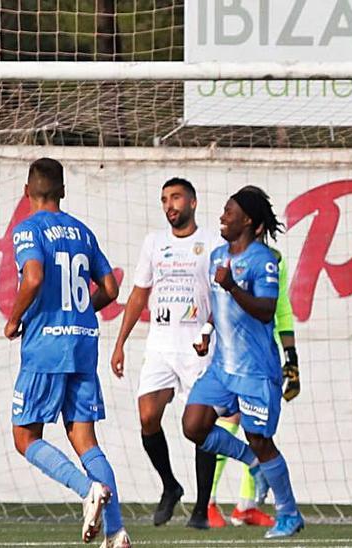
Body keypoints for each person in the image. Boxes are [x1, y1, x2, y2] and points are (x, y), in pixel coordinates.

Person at [6, 158, 129, 547]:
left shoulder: (28, 229)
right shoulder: (83, 232)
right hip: (83, 343)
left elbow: (35, 275)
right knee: (85, 438)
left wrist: (14, 318)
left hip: (46, 346)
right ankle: (117, 531)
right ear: (62, 191)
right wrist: (81, 312)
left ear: (27, 192)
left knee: (25, 437)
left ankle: (87, 489)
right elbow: (110, 288)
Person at [181, 186, 305, 539]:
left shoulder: (264, 260)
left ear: (248, 220)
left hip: (255, 371)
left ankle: (289, 514)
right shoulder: (219, 254)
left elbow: (266, 312)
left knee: (261, 440)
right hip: (222, 367)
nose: (222, 217)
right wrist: (206, 330)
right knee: (194, 425)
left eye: (229, 212)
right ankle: (252, 463)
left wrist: (234, 286)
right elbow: (216, 306)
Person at [109, 177, 226, 528]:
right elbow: (139, 294)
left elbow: (222, 297)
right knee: (147, 416)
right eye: (164, 199)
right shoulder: (154, 243)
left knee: (199, 426)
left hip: (197, 348)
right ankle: (170, 486)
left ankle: (202, 508)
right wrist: (120, 343)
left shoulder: (212, 242)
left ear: (192, 202)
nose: (169, 205)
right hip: (160, 343)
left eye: (175, 198)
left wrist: (208, 331)